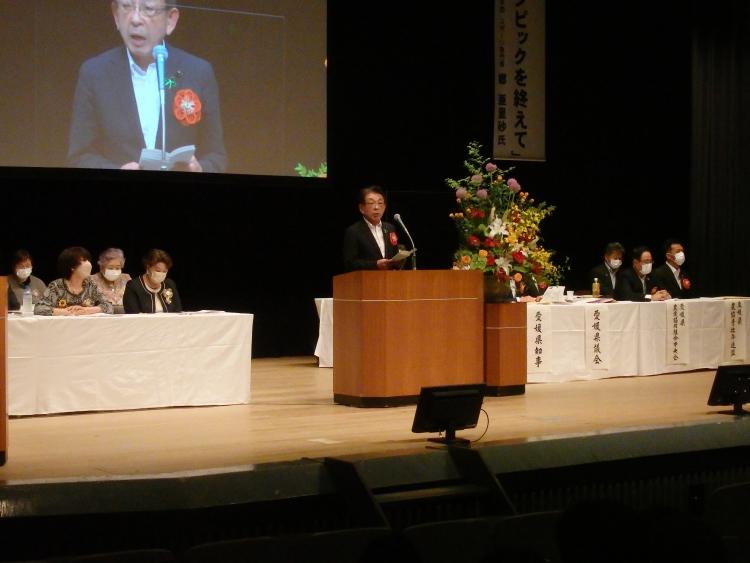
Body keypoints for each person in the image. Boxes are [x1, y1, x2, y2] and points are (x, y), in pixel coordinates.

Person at [67, 0, 227, 173]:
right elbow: (79, 157)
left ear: (170, 20)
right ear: (116, 16)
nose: (135, 19)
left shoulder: (197, 72)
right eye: (127, 6)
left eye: (148, 9)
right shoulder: (95, 74)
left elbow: (216, 156)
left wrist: (200, 170)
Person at [35, 247, 114, 316]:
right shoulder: (56, 286)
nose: (89, 264)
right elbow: (39, 308)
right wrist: (66, 312)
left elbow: (109, 306)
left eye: (88, 260)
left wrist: (87, 310)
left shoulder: (90, 285)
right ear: (72, 267)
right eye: (84, 260)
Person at [342, 186, 402, 271]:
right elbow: (350, 263)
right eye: (371, 203)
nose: (376, 207)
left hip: (389, 280)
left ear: (384, 207)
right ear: (361, 208)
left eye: (380, 203)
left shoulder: (390, 228)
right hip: (365, 281)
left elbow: (394, 255)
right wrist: (375, 264)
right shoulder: (353, 231)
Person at [123, 248, 182, 313]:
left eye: (164, 271)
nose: (161, 274)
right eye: (158, 270)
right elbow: (133, 314)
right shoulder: (133, 286)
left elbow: (178, 311)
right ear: (148, 268)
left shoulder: (169, 284)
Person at [90, 248, 133, 314]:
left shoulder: (126, 278)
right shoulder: (92, 280)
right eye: (110, 268)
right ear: (101, 267)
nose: (114, 271)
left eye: (118, 268)